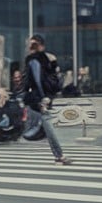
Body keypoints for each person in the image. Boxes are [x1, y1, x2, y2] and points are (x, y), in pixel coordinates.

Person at [22, 34, 72, 165]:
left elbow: (44, 81)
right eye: (30, 45)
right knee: (46, 128)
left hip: (39, 100)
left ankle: (59, 155)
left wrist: (45, 98)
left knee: (46, 128)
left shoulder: (36, 61)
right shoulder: (36, 60)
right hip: (38, 100)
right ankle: (59, 156)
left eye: (34, 45)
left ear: (40, 46)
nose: (31, 47)